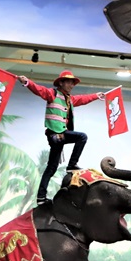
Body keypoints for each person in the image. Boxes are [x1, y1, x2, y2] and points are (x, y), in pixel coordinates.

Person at [18, 70, 104, 205]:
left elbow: (83, 99)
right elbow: (39, 90)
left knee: (51, 168)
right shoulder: (52, 94)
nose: (71, 85)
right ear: (61, 83)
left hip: (60, 135)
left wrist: (96, 96)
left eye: (72, 83)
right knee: (82, 137)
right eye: (69, 82)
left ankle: (41, 198)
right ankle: (72, 165)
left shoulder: (69, 100)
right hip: (56, 134)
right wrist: (27, 82)